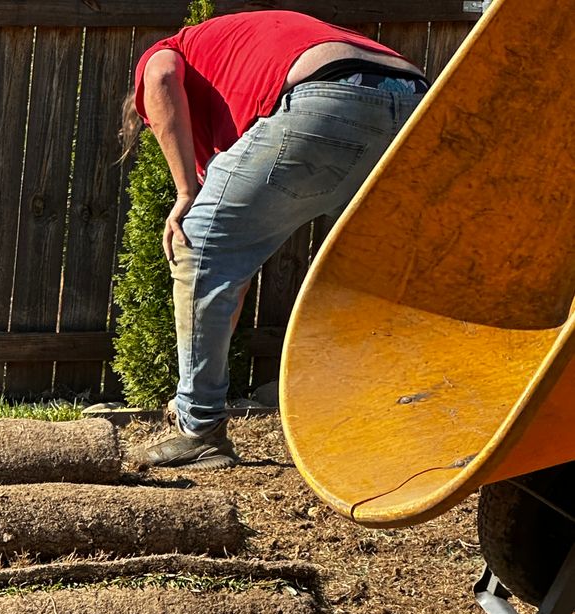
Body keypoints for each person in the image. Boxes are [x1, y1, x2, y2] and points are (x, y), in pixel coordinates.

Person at [124, 10, 429, 469]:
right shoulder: (242, 56)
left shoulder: (172, 51)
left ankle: (200, 427)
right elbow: (229, 279)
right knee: (385, 267)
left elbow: (161, 76)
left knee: (198, 238)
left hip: (324, 96)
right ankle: (412, 413)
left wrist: (185, 190)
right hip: (419, 100)